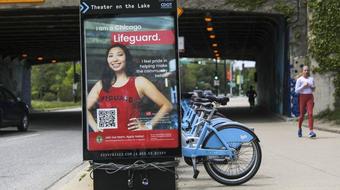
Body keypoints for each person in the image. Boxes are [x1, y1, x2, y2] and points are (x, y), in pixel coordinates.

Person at [87, 43, 173, 132]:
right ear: (107, 61)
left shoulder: (139, 82)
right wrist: (95, 127)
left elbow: (167, 105)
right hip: (108, 140)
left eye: (120, 55)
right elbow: (85, 109)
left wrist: (148, 126)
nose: (115, 59)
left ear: (126, 58)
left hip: (132, 139)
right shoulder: (101, 85)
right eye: (111, 56)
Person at [294, 65, 316, 138]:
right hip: (302, 97)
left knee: (310, 114)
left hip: (310, 97)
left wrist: (311, 86)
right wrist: (303, 86)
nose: (306, 71)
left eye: (307, 70)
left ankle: (311, 131)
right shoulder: (299, 80)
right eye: (305, 70)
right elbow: (296, 90)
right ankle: (299, 128)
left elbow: (313, 90)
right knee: (301, 116)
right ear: (302, 71)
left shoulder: (311, 79)